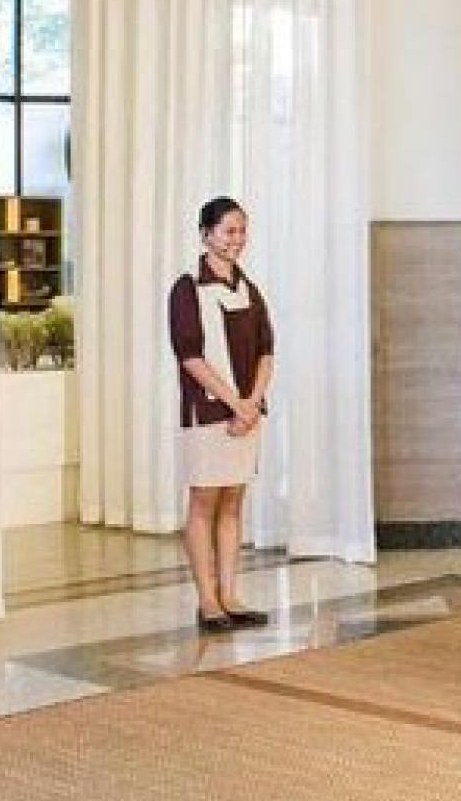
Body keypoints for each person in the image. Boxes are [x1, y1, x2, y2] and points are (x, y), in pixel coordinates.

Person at [167, 197, 275, 633]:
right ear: (206, 234)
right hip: (209, 413)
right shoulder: (187, 288)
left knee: (233, 502)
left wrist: (252, 403)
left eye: (242, 230)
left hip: (246, 414)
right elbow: (190, 356)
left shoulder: (249, 288)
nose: (238, 239)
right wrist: (236, 403)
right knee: (204, 502)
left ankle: (230, 595)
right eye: (229, 231)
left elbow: (267, 351)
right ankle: (207, 601)